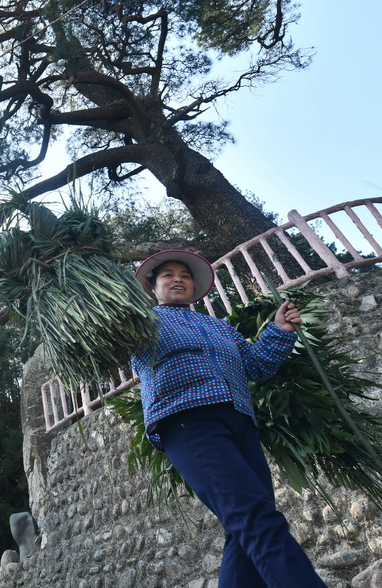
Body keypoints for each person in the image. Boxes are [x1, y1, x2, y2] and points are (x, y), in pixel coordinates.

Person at [131, 250, 327, 588]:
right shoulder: (139, 323)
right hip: (187, 421)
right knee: (256, 519)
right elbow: (99, 337)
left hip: (239, 422)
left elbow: (256, 365)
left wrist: (280, 330)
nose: (179, 279)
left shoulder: (219, 328)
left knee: (245, 526)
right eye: (168, 275)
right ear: (152, 286)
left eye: (185, 275)